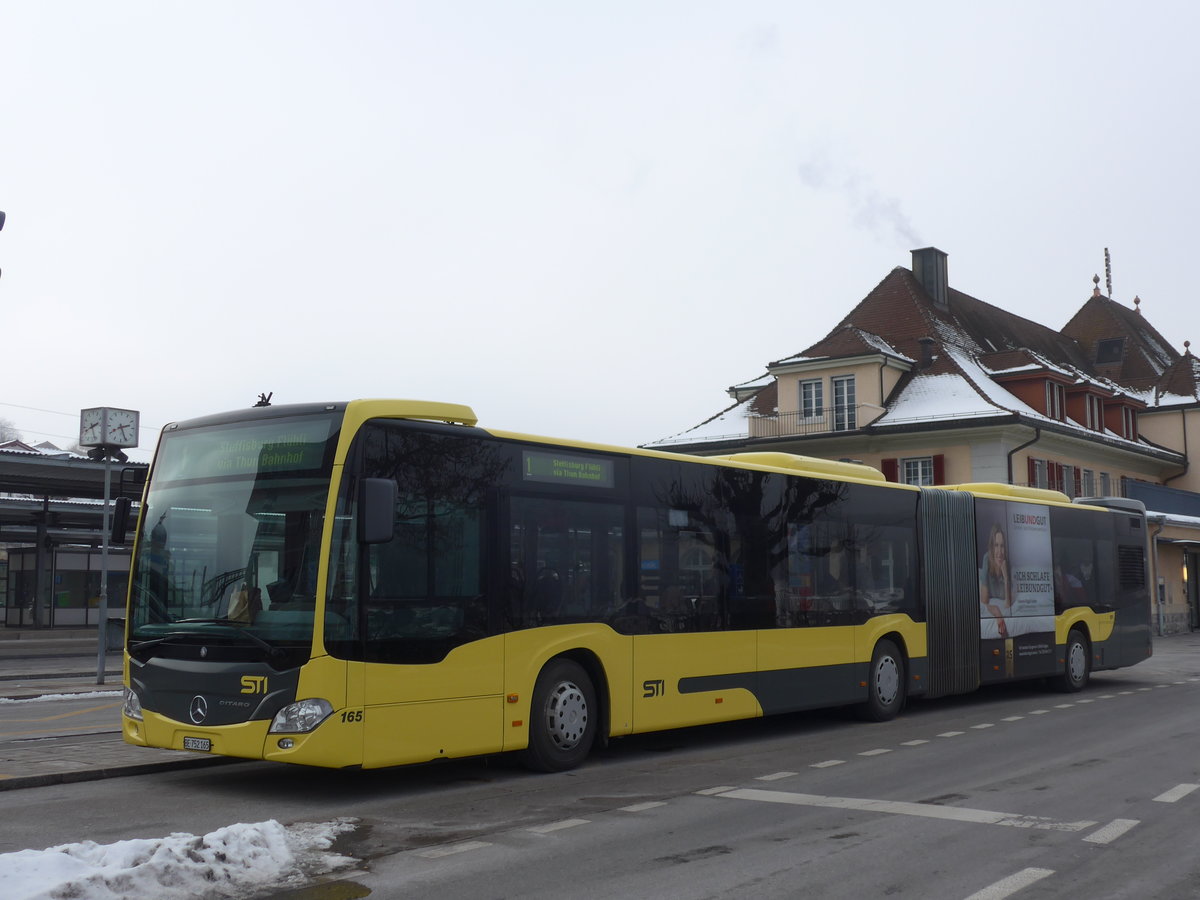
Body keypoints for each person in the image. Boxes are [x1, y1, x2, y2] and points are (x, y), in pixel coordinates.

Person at [979, 524, 1012, 639]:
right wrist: (997, 612)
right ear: (991, 547)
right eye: (996, 545)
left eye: (1002, 546)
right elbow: (984, 601)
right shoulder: (986, 559)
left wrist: (1006, 578)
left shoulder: (1007, 563)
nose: (999, 552)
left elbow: (1008, 604)